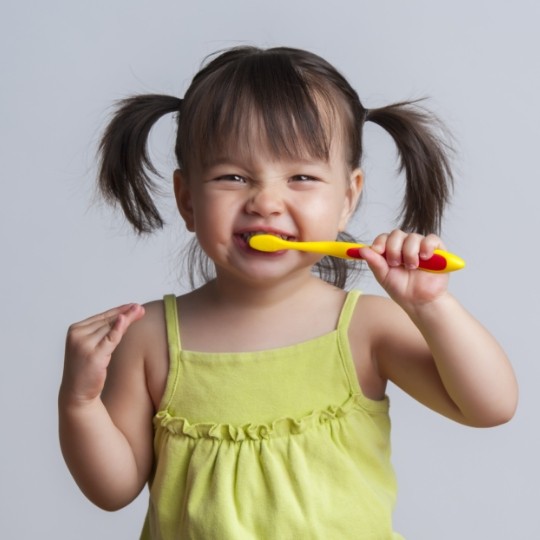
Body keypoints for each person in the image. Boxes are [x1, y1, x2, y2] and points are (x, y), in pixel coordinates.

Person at [58, 46, 518, 539]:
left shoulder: (364, 328)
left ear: (347, 199)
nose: (266, 202)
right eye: (232, 176)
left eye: (301, 177)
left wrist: (432, 306)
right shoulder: (147, 337)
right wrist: (79, 403)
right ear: (188, 199)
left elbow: (489, 406)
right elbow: (113, 491)